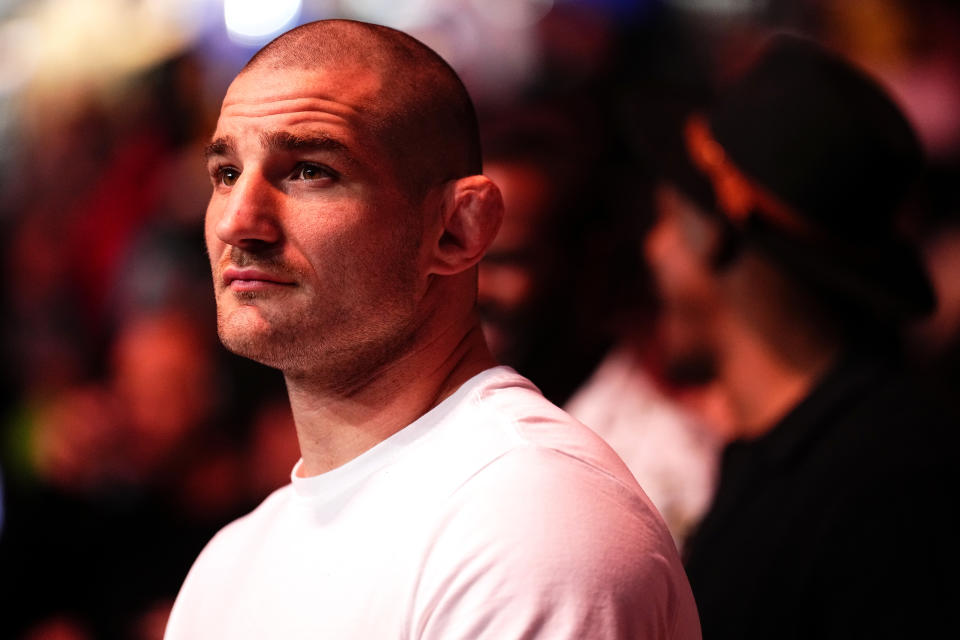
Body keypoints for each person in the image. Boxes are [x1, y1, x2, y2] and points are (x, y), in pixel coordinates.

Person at [164, 19, 700, 639]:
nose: (238, 221)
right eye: (226, 173)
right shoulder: (228, 562)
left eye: (310, 170)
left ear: (458, 229)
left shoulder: (530, 520)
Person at [643, 34, 958, 638]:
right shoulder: (792, 453)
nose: (650, 250)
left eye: (663, 221)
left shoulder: (890, 489)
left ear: (712, 237)